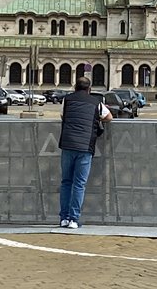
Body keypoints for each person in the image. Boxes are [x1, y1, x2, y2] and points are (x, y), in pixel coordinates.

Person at [58, 76, 112, 229]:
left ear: (75, 87)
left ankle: (64, 218)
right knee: (79, 184)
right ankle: (74, 219)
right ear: (89, 88)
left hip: (67, 144)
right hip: (85, 146)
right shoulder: (96, 103)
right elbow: (109, 117)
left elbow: (63, 115)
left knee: (66, 182)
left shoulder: (66, 100)